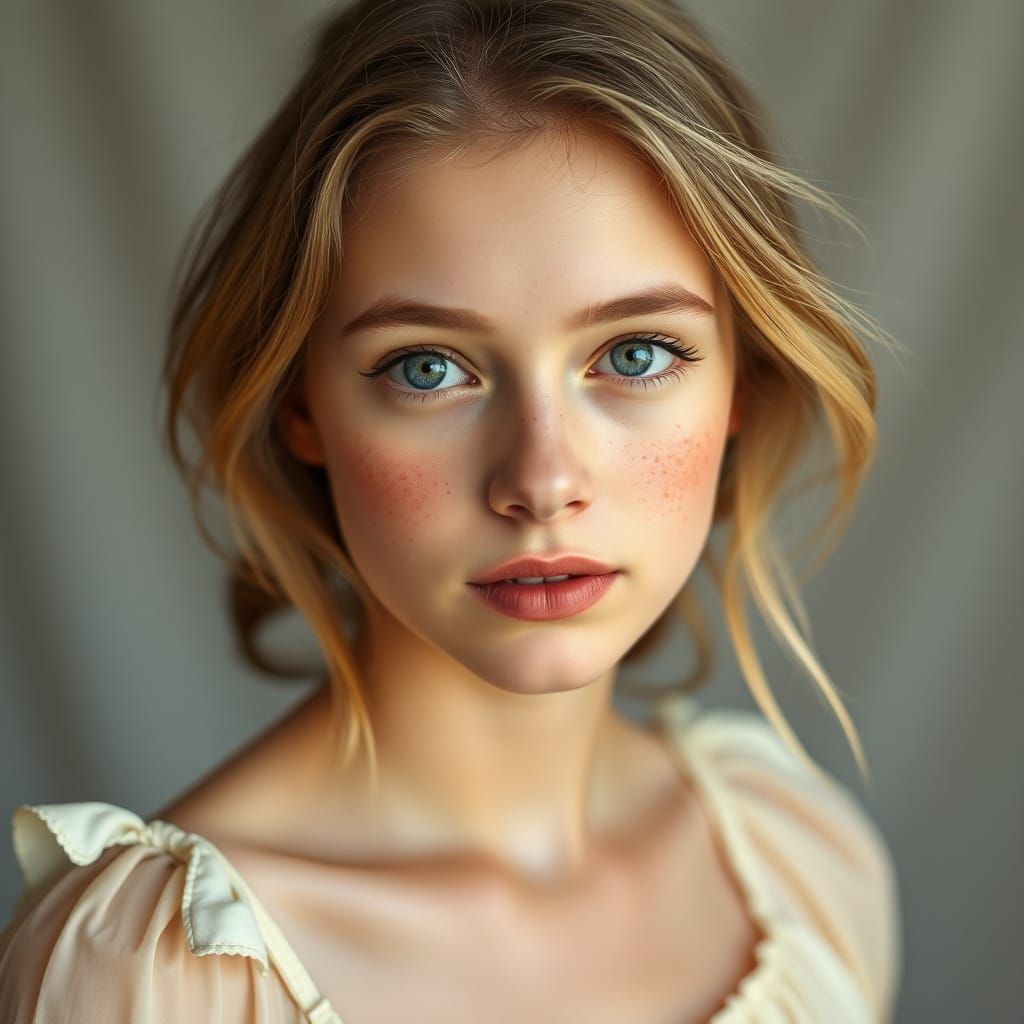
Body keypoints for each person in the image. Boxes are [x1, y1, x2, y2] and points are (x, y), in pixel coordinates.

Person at [0, 0, 903, 1020]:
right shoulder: (151, 976)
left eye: (636, 353)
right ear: (302, 407)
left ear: (742, 382)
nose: (541, 478)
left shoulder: (805, 867)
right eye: (427, 368)